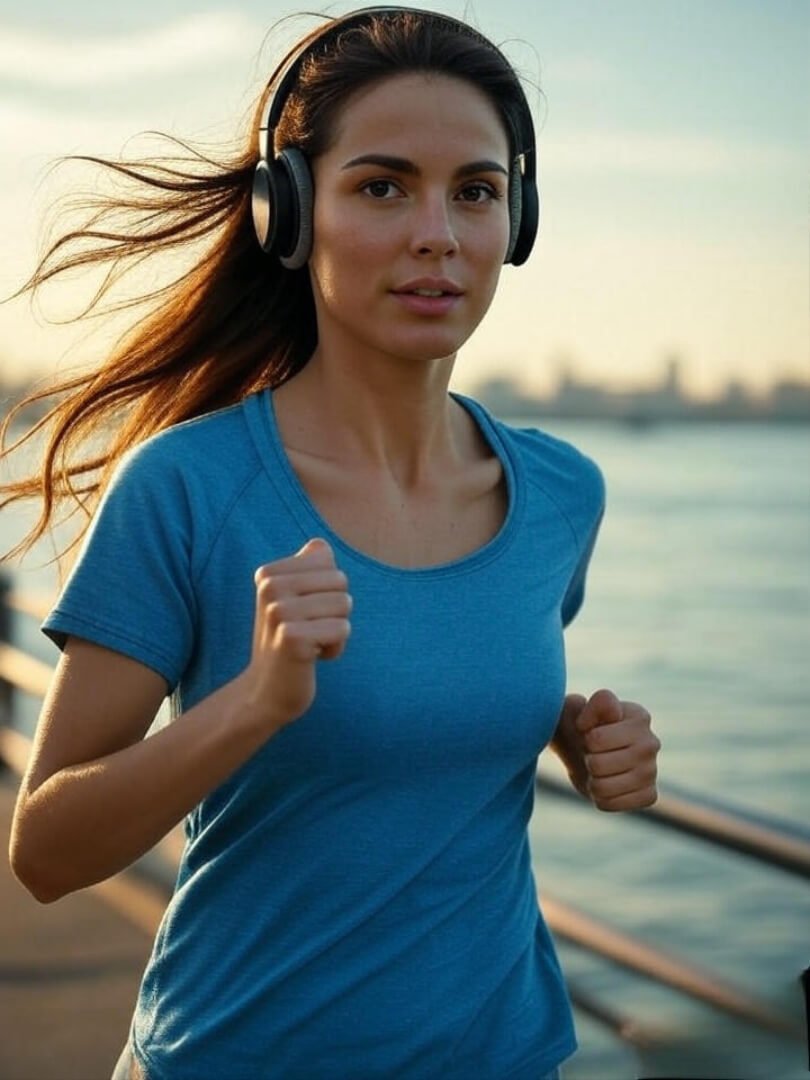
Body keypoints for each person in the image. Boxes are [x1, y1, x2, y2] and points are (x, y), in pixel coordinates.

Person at [2, 7, 660, 1079]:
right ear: (289, 215)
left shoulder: (560, 493)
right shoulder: (186, 489)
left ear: (517, 222)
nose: (437, 233)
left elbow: (434, 683)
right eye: (383, 186)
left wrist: (574, 737)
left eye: (477, 191)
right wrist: (253, 704)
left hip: (510, 1058)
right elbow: (44, 851)